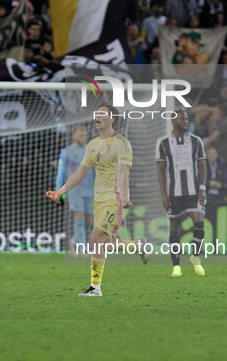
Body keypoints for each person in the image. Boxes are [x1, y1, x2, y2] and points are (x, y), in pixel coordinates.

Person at [46, 102, 148, 297]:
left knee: (95, 237)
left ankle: (95, 288)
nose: (97, 116)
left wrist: (125, 197)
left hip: (115, 198)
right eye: (97, 113)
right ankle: (137, 246)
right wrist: (60, 192)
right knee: (105, 242)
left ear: (112, 119)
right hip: (98, 200)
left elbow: (123, 172)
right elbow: (80, 172)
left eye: (102, 113)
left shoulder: (122, 143)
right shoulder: (92, 144)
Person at [156, 110, 207, 278]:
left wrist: (202, 188)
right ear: (173, 120)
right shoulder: (163, 143)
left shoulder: (196, 141)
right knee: (174, 227)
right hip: (173, 192)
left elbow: (201, 165)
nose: (185, 121)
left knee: (198, 222)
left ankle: (195, 257)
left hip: (193, 191)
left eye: (186, 118)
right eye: (181, 118)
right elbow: (161, 171)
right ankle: (176, 266)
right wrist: (164, 194)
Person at [55, 126, 95, 253]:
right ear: (74, 136)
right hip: (74, 190)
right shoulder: (66, 152)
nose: (82, 138)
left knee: (90, 220)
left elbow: (96, 172)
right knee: (79, 215)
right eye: (80, 136)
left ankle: (74, 240)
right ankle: (83, 248)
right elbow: (61, 173)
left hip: (89, 190)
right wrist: (58, 191)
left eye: (84, 136)